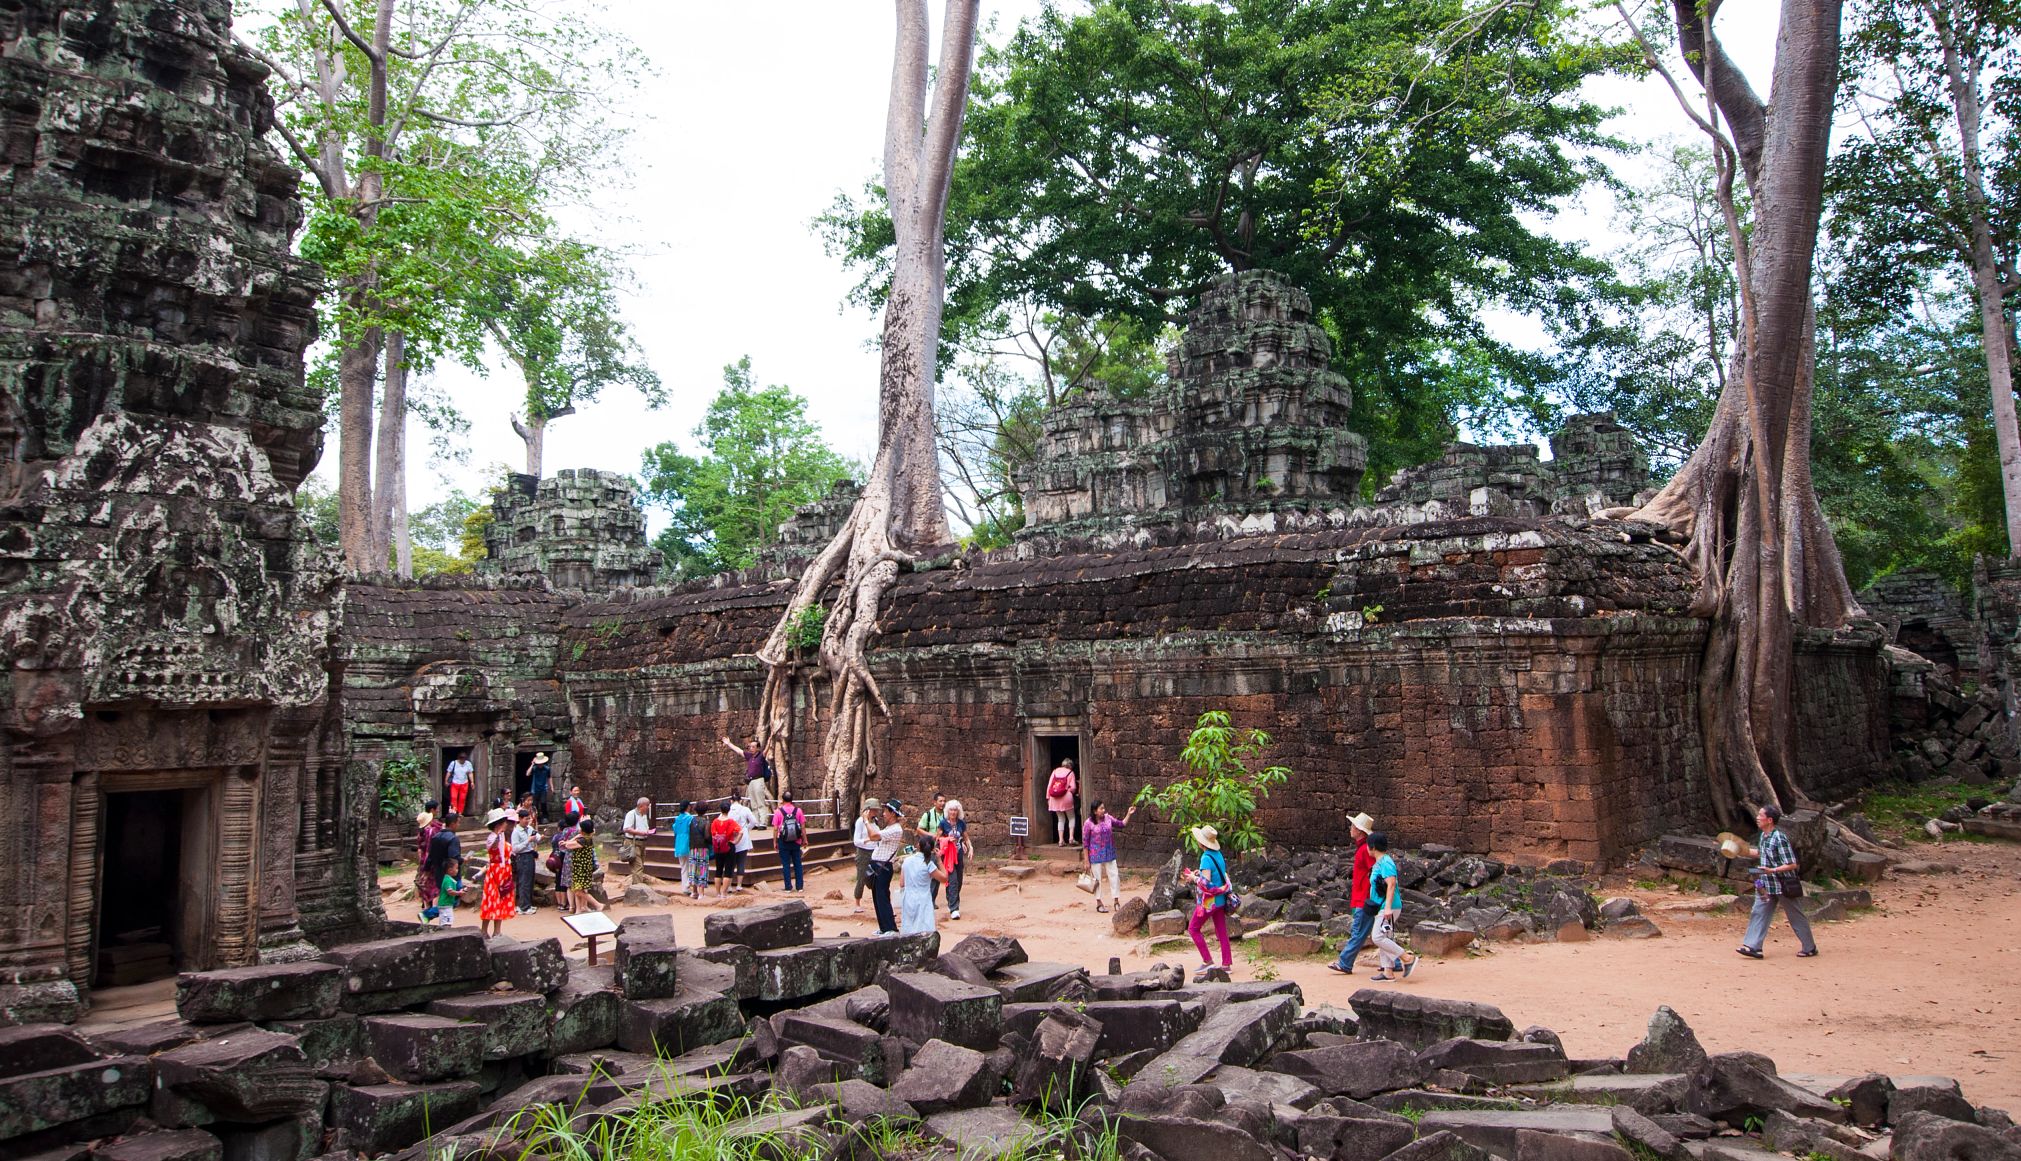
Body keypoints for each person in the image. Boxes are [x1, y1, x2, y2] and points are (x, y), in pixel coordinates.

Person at [1738, 804, 1819, 960]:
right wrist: (1739, 849)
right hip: (1766, 884)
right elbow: (1761, 854)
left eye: (1760, 815)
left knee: (1795, 915)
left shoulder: (1779, 838)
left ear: (1769, 820)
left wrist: (1772, 870)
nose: (1757, 817)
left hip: (1782, 884)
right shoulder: (1763, 836)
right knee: (1758, 912)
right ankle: (1753, 947)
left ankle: (1810, 947)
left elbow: (1792, 863)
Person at [1182, 824, 1233, 981]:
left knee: (1193, 928)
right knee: (1221, 930)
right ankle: (1226, 963)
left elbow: (1206, 883)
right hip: (1221, 899)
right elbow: (1217, 875)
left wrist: (1193, 878)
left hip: (1209, 901)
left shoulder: (1205, 858)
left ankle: (1208, 960)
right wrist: (1199, 873)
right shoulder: (1217, 854)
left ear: (1201, 842)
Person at [1329, 812, 1378, 975]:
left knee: (1359, 931)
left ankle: (1345, 962)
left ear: (1359, 831)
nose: (1350, 829)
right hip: (1363, 896)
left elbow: (1375, 870)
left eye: (1353, 826)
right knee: (1375, 933)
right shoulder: (1363, 849)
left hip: (1363, 898)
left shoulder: (1364, 850)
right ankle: (1397, 961)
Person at [1366, 832, 1417, 982]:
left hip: (1387, 906)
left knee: (1378, 937)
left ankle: (1407, 957)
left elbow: (1391, 884)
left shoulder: (1385, 862)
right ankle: (1388, 971)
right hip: (1383, 905)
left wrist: (1387, 907)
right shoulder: (1380, 862)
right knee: (1386, 936)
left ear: (1372, 847)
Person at [1081, 800, 1137, 914]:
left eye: (1103, 808)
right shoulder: (1088, 823)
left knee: (1114, 876)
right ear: (1095, 811)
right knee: (1096, 879)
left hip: (1109, 853)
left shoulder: (1108, 818)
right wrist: (1086, 860)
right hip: (1095, 855)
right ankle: (1099, 902)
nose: (1103, 810)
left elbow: (1122, 824)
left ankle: (1116, 900)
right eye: (1101, 808)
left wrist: (1128, 814)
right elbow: (1085, 843)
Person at [867, 799, 905, 935]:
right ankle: (884, 927)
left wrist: (866, 821)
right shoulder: (889, 828)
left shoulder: (896, 829)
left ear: (892, 814)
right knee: (877, 897)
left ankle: (891, 927)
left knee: (882, 896)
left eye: (886, 811)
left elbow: (873, 836)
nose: (883, 814)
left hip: (883, 867)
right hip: (877, 865)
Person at [899, 829, 948, 935]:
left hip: (908, 897)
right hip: (923, 898)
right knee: (924, 929)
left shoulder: (907, 861)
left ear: (918, 846)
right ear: (931, 849)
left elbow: (902, 883)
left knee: (909, 927)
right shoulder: (928, 865)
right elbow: (944, 878)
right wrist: (939, 860)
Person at [720, 736, 775, 822]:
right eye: (750, 747)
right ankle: (756, 821)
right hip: (751, 781)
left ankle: (763, 822)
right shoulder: (749, 756)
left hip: (758, 780)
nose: (751, 748)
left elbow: (766, 750)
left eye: (753, 747)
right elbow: (738, 750)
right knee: (753, 803)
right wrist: (728, 744)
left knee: (760, 802)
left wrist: (769, 740)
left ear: (757, 748)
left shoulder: (760, 756)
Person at [479, 809, 516, 937]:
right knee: (492, 899)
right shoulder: (492, 838)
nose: (506, 824)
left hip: (504, 870)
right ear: (498, 824)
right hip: (495, 872)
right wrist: (497, 835)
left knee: (501, 900)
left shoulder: (502, 836)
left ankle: (497, 930)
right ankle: (484, 930)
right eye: (504, 822)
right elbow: (493, 847)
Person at [423, 812, 463, 926]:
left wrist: (426, 870)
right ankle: (428, 914)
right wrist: (463, 860)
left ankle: (430, 915)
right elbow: (453, 857)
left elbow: (430, 856)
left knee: (446, 897)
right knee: (453, 899)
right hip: (452, 875)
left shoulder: (435, 837)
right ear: (453, 823)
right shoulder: (453, 839)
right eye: (458, 823)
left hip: (439, 874)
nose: (458, 825)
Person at [938, 800, 972, 920]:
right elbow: (938, 838)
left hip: (959, 855)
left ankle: (951, 899)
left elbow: (965, 836)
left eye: (955, 810)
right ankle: (954, 908)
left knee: (959, 881)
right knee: (952, 881)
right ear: (948, 811)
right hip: (948, 856)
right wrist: (947, 839)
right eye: (951, 810)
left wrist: (970, 847)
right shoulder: (943, 823)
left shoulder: (961, 823)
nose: (953, 812)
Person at [565, 817, 604, 913]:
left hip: (581, 870)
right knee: (580, 890)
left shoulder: (583, 840)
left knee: (578, 891)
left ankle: (597, 904)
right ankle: (579, 909)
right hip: (583, 868)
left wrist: (574, 837)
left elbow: (568, 845)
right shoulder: (588, 837)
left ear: (583, 830)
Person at [773, 793, 809, 893]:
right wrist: (805, 840)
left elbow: (776, 829)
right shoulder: (798, 811)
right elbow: (802, 827)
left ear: (782, 800)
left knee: (785, 864)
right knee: (798, 863)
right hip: (796, 841)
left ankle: (788, 887)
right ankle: (799, 887)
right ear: (792, 799)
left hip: (783, 841)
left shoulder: (778, 812)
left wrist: (775, 841)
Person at [708, 801, 743, 900]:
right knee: (728, 870)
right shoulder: (731, 822)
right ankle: (724, 893)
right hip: (729, 846)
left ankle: (718, 893)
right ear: (729, 810)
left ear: (720, 809)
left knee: (718, 870)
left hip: (718, 847)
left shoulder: (715, 822)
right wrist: (735, 841)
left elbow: (713, 834)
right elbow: (740, 832)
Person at [414, 801, 444, 914]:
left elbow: (419, 848)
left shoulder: (421, 831)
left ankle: (426, 906)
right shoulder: (431, 830)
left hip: (423, 859)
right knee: (434, 882)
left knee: (425, 883)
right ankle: (434, 908)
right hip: (431, 858)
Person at [510, 806, 540, 915]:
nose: (528, 821)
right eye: (526, 819)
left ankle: (526, 904)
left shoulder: (530, 829)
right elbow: (515, 848)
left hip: (530, 856)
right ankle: (523, 906)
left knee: (529, 880)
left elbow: (538, 837)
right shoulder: (516, 832)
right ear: (520, 819)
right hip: (522, 857)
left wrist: (538, 836)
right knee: (524, 881)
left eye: (529, 819)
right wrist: (528, 841)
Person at [727, 792, 759, 892]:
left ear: (731, 801)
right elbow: (754, 821)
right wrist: (746, 829)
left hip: (731, 837)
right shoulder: (745, 809)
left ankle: (729, 885)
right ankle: (739, 885)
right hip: (743, 837)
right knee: (741, 862)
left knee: (730, 863)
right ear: (740, 800)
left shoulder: (727, 810)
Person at [852, 803, 880, 914]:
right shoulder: (860, 822)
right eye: (874, 810)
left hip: (874, 852)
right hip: (863, 852)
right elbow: (856, 841)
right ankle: (857, 902)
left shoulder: (875, 822)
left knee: (876, 878)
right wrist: (868, 840)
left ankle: (877, 902)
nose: (876, 812)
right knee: (861, 877)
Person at [552, 811, 581, 914]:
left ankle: (571, 906)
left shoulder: (564, 831)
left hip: (567, 857)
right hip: (576, 857)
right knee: (576, 883)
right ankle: (577, 907)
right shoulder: (578, 831)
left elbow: (562, 845)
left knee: (568, 884)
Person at [1047, 757, 1079, 846]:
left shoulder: (1055, 771)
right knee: (1071, 817)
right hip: (1066, 796)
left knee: (1060, 819)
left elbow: (1049, 785)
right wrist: (1069, 791)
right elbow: (1073, 787)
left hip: (1054, 797)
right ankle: (1071, 838)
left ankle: (1061, 840)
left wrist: (1048, 798)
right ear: (1070, 766)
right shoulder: (1070, 772)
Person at [686, 804, 713, 898]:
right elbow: (707, 836)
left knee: (693, 868)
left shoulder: (691, 821)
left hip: (693, 847)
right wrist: (711, 841)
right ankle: (701, 893)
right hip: (703, 848)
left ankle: (694, 891)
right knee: (702, 868)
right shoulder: (706, 821)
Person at [671, 800, 696, 895]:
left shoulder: (677, 819)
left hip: (679, 843)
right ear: (688, 807)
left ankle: (685, 888)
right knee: (692, 865)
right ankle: (689, 883)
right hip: (688, 842)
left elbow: (675, 830)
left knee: (683, 867)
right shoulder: (690, 818)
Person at [622, 797, 656, 865]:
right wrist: (641, 833)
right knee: (637, 866)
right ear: (641, 806)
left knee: (641, 864)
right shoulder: (631, 814)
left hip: (643, 842)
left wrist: (648, 831)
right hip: (633, 842)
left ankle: (637, 876)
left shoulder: (644, 815)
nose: (648, 807)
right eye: (647, 805)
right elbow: (626, 829)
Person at [445, 750, 474, 816]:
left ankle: (460, 812)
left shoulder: (468, 764)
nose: (462, 760)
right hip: (455, 783)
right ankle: (454, 812)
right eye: (461, 758)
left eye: (464, 759)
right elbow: (449, 772)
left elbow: (470, 773)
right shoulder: (453, 763)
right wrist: (446, 780)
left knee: (462, 799)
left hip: (464, 783)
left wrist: (472, 782)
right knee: (454, 797)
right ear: (458, 758)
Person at [527, 752, 553, 821]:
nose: (540, 764)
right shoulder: (535, 768)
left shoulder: (547, 769)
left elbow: (549, 778)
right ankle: (536, 818)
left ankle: (545, 817)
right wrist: (532, 764)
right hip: (535, 789)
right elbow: (527, 774)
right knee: (535, 804)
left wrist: (551, 787)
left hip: (543, 788)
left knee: (543, 803)